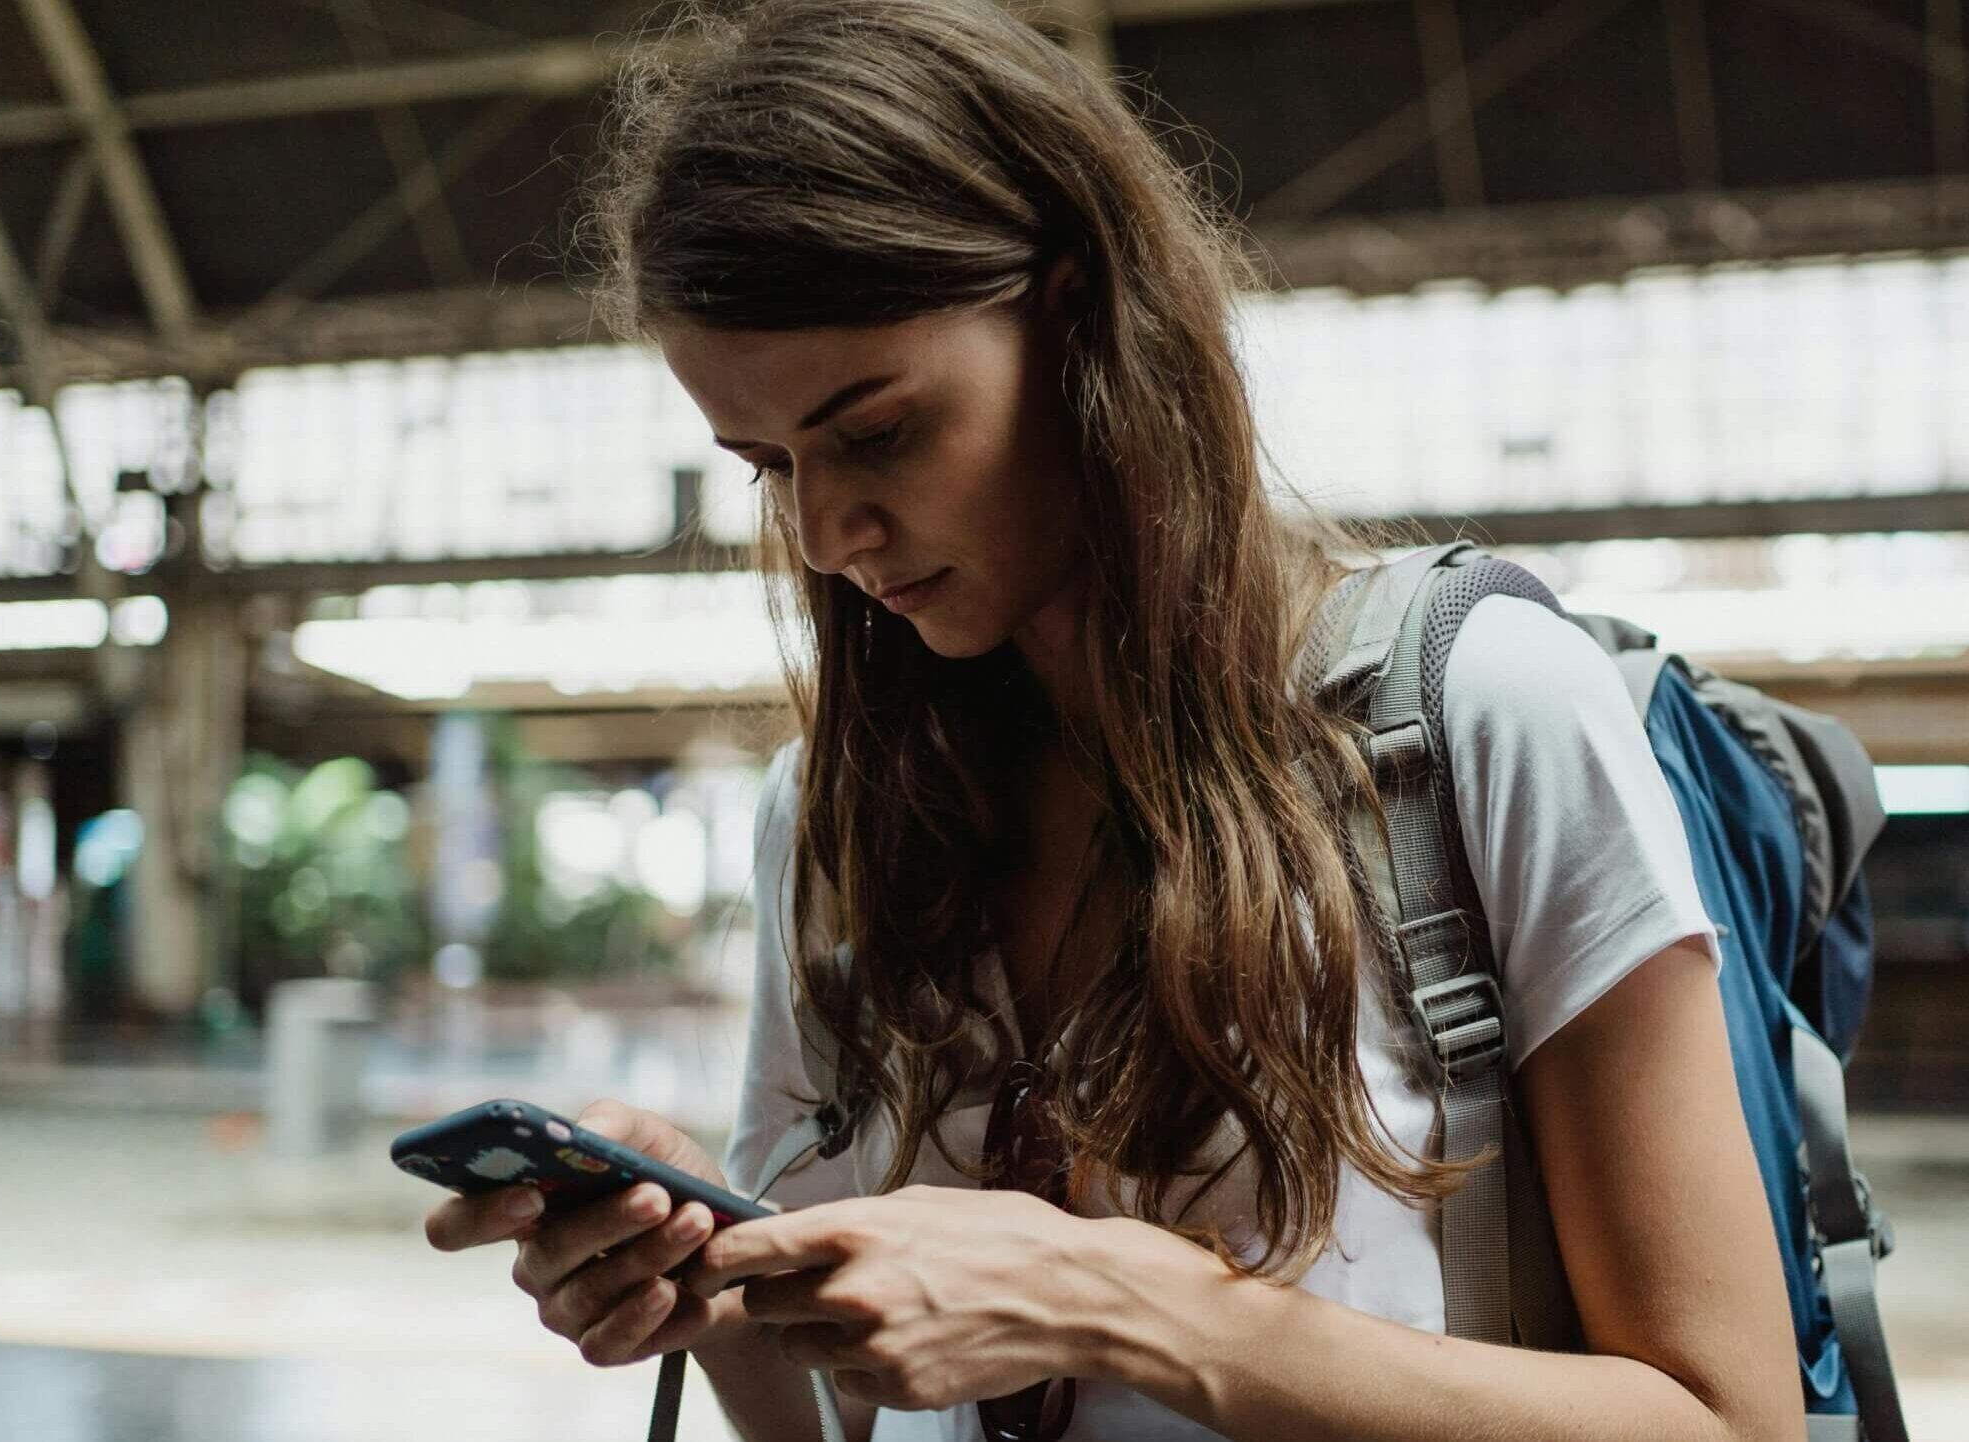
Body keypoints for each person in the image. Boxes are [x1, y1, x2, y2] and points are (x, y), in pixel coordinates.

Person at [419, 2, 1802, 1438]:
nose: (828, 531)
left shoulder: (1475, 710)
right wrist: (716, 1286)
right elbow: (831, 1429)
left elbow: (1728, 1419)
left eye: (877, 430)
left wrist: (1113, 1297)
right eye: (767, 464)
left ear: (1080, 313)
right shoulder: (828, 819)